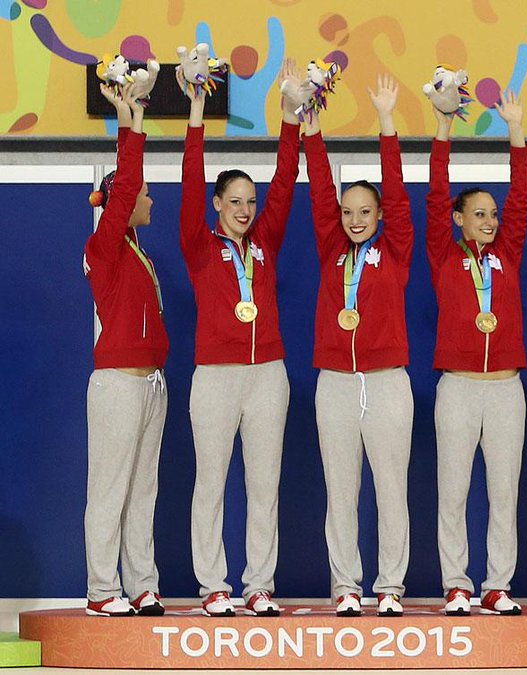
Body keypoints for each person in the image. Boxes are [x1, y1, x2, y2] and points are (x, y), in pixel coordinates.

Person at [179, 59, 306, 617]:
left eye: (250, 204)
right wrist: (197, 109)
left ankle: (259, 585)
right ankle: (213, 586)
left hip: (268, 375)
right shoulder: (198, 244)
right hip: (213, 375)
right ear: (216, 205)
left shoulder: (266, 241)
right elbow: (189, 176)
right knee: (210, 482)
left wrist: (288, 116)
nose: (246, 210)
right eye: (235, 202)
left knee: (265, 484)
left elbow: (284, 183)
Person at [305, 74, 415, 617]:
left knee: (391, 488)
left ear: (379, 217)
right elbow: (320, 192)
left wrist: (387, 122)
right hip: (335, 383)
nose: (353, 219)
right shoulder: (331, 246)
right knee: (340, 490)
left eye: (364, 212)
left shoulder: (395, 250)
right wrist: (312, 132)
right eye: (348, 212)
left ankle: (391, 586)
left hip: (389, 381)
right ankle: (347, 585)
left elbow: (396, 189)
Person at [426, 91, 527, 616]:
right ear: (458, 219)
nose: (490, 221)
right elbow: (434, 190)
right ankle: (457, 584)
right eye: (479, 214)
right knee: (455, 491)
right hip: (459, 388)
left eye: (493, 214)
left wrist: (516, 132)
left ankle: (497, 584)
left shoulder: (508, 253)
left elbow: (523, 197)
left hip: (507, 388)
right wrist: (444, 127)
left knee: (503, 493)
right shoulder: (443, 253)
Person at [82, 83, 167, 617]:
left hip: (151, 383)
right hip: (117, 384)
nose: (150, 198)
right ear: (123, 201)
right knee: (110, 489)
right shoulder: (105, 246)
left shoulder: (135, 252)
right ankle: (100, 589)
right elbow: (127, 179)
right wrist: (129, 121)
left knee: (142, 492)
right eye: (142, 192)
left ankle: (140, 583)